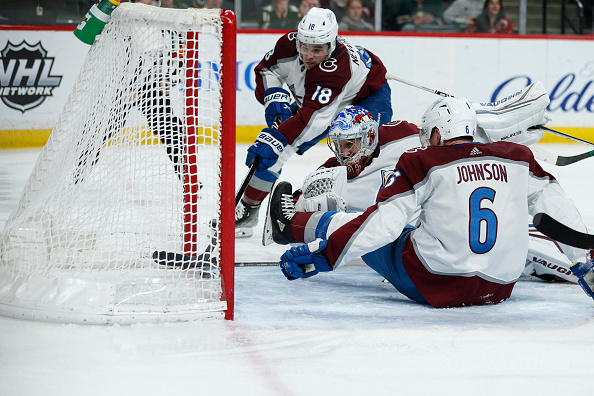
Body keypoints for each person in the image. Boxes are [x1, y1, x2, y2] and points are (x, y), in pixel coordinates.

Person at [268, 97, 593, 308]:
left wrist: (326, 254)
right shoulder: (519, 157)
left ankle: (292, 227)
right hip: (500, 286)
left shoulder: (421, 160)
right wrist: (585, 260)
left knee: (371, 222)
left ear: (437, 133)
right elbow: (557, 207)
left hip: (436, 283)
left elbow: (382, 224)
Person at [236, 7, 392, 237]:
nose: (308, 55)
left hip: (367, 97)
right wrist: (273, 96)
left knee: (359, 154)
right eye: (304, 46)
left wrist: (278, 138)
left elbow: (313, 121)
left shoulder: (335, 69)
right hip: (319, 103)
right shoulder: (288, 44)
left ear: (332, 44)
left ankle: (370, 218)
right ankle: (248, 210)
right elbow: (266, 69)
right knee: (274, 150)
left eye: (317, 49)